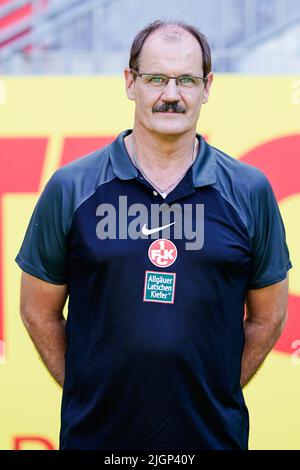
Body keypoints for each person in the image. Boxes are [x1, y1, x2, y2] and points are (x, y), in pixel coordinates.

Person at [16, 19, 292, 450]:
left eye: (186, 80)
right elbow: (38, 311)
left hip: (211, 440)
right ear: (130, 82)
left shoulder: (248, 190)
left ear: (207, 87)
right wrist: (88, 389)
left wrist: (214, 388)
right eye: (156, 78)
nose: (170, 95)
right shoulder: (71, 187)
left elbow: (268, 316)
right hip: (98, 442)